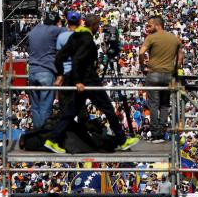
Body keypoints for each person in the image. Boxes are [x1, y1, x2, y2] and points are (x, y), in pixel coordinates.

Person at [45, 14, 139, 154]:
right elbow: (77, 60)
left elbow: (59, 57)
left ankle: (52, 140)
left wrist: (60, 74)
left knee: (70, 112)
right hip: (88, 81)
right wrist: (78, 81)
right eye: (98, 25)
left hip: (79, 80)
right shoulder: (87, 39)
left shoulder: (74, 36)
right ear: (94, 26)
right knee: (108, 109)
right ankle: (122, 140)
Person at [138, 15, 182, 140]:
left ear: (157, 25)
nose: (147, 28)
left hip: (153, 74)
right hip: (168, 75)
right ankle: (162, 132)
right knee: (164, 105)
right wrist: (174, 69)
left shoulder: (151, 38)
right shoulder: (174, 38)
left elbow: (141, 52)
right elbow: (180, 57)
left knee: (153, 105)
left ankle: (155, 133)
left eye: (149, 26)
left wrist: (143, 66)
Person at [25, 14, 63, 128]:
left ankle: (37, 133)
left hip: (32, 72)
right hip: (46, 72)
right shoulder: (53, 30)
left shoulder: (34, 30)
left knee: (35, 107)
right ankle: (43, 136)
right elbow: (70, 32)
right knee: (45, 107)